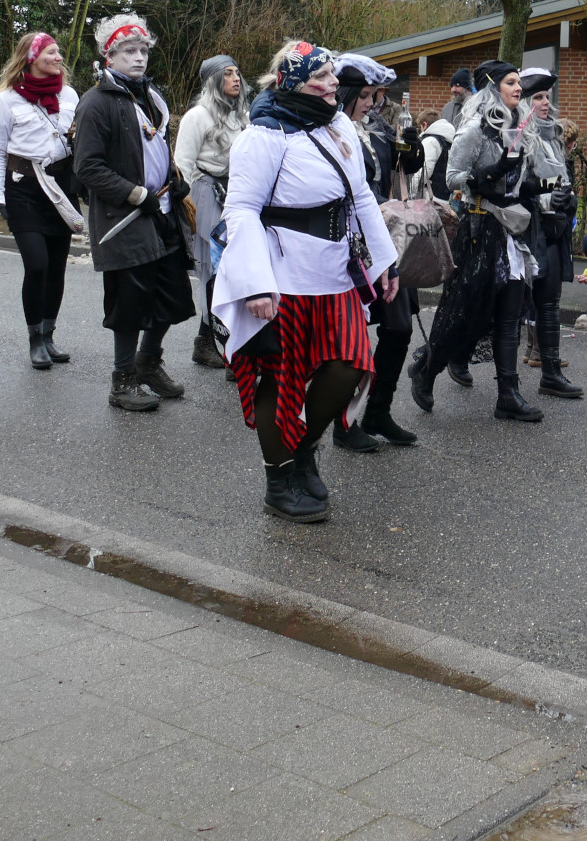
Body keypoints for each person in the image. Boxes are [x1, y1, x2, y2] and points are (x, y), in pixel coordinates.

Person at [211, 40, 400, 523]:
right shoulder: (263, 135)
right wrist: (255, 283)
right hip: (283, 273)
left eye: (332, 73)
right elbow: (242, 209)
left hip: (336, 270)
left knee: (350, 364)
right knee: (281, 376)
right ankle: (279, 480)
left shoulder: (338, 124)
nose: (334, 82)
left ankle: (304, 448)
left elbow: (360, 196)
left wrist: (384, 263)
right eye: (321, 75)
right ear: (293, 82)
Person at [407, 59, 549, 423]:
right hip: (478, 232)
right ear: (493, 88)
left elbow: (515, 186)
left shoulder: (516, 129)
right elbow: (453, 178)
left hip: (509, 234)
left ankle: (508, 395)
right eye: (511, 82)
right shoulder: (474, 130)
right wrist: (495, 169)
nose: (518, 88)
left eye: (519, 83)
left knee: (509, 316)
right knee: (463, 313)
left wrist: (545, 187)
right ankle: (426, 369)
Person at [74, 14, 195, 413]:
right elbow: (88, 167)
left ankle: (148, 363)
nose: (139, 57)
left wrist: (175, 178)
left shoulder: (151, 96)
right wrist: (135, 193)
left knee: (172, 294)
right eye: (129, 51)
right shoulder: (95, 103)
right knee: (129, 303)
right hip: (124, 219)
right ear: (109, 56)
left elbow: (157, 148)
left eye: (143, 50)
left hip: (163, 211)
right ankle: (122, 379)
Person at [332, 52, 425, 449]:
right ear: (347, 92)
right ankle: (343, 422)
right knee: (350, 338)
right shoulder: (328, 130)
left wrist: (413, 149)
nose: (372, 103)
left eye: (376, 95)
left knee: (399, 327)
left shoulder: (377, 127)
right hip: (348, 242)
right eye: (366, 95)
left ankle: (378, 411)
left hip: (383, 240)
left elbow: (403, 168)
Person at [0, 32, 83, 371]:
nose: (58, 57)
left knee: (56, 267)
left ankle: (49, 334)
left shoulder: (69, 95)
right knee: (37, 264)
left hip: (61, 189)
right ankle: (34, 338)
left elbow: (79, 141)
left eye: (58, 52)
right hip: (24, 188)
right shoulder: (7, 100)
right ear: (31, 57)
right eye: (51, 52)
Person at [173, 54, 249, 368]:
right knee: (212, 271)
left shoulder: (242, 116)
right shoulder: (197, 116)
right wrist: (186, 211)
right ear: (214, 81)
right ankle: (210, 343)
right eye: (228, 74)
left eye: (237, 73)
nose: (236, 78)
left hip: (235, 194)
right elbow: (182, 167)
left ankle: (218, 340)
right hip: (205, 195)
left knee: (233, 271)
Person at [521, 71, 583, 398]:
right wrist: (547, 196)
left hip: (552, 229)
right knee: (495, 306)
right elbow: (517, 186)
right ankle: (444, 361)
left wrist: (567, 199)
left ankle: (551, 373)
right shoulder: (517, 135)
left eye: (547, 96)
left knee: (549, 303)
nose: (546, 103)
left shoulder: (554, 134)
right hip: (524, 229)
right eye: (538, 97)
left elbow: (562, 181)